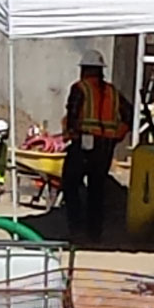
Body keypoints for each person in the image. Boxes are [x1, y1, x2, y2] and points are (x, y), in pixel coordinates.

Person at [61, 48, 131, 243]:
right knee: (96, 190)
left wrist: (71, 133)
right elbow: (129, 115)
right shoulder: (112, 92)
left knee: (70, 184)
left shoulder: (80, 88)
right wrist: (117, 135)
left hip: (84, 144)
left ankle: (76, 230)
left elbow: (73, 114)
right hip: (105, 147)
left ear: (85, 69)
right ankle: (95, 233)